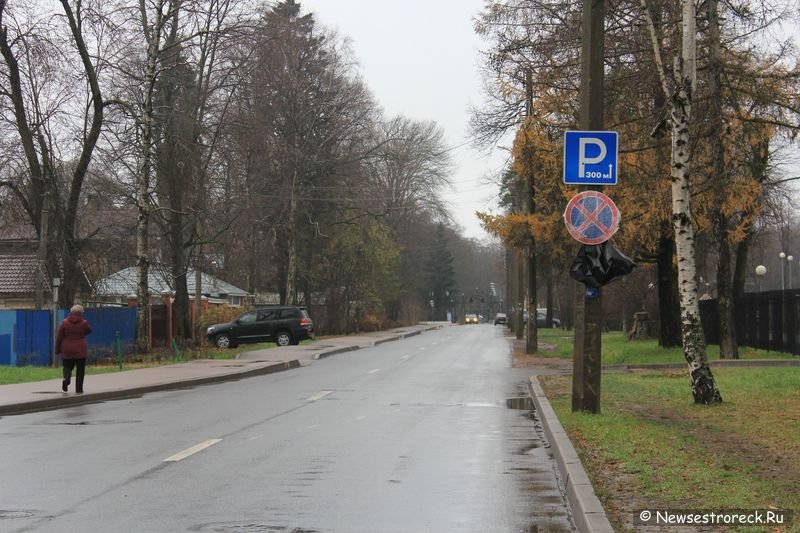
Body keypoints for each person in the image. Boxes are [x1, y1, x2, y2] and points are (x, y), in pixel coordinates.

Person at [56, 304, 92, 394]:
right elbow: (89, 330)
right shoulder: (84, 323)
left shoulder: (64, 323)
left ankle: (66, 379)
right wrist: (81, 334)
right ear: (80, 313)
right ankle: (79, 389)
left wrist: (57, 349)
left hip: (67, 349)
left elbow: (59, 337)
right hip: (80, 349)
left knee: (67, 367)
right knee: (80, 370)